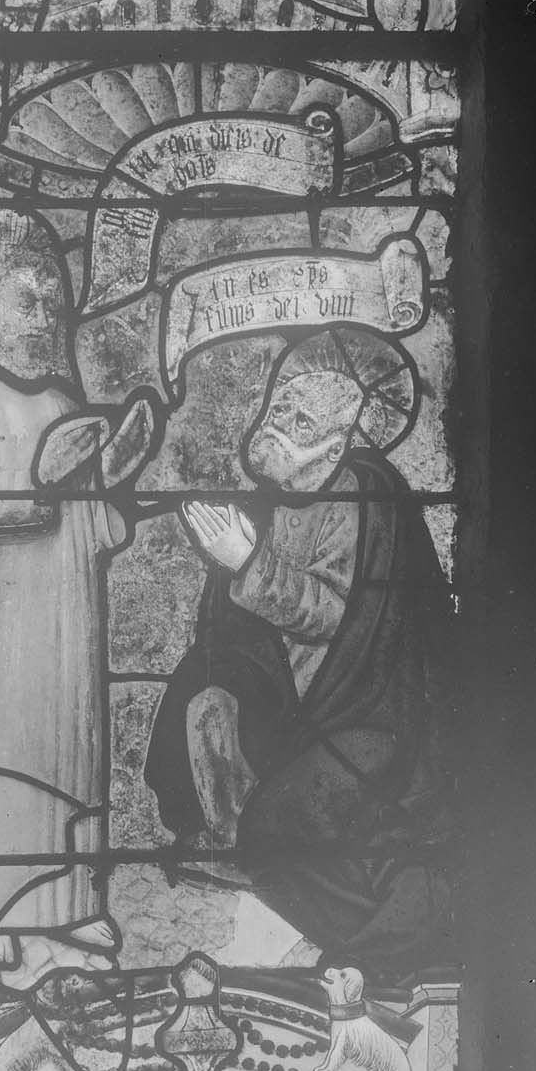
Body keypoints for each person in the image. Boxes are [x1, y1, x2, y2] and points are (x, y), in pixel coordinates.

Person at [144, 328, 455, 980]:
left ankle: (306, 925)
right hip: (287, 704)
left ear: (335, 445)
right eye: (279, 408)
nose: (279, 425)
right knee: (205, 701)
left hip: (365, 713)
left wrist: (247, 561)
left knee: (285, 822)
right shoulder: (269, 500)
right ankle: (234, 845)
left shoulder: (362, 496)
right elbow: (230, 634)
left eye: (301, 420)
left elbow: (344, 618)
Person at [0, 206, 155, 991]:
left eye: (50, 302)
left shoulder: (61, 405)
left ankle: (70, 900)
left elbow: (93, 521)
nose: (42, 317)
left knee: (71, 743)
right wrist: (38, 483)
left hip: (68, 612)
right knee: (3, 751)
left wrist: (115, 469)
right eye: (24, 302)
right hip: (1, 623)